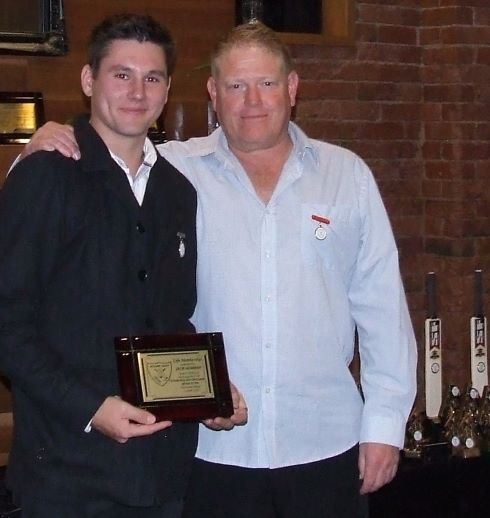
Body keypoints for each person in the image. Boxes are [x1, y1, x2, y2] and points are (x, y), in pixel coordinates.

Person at [15, 21, 417, 518]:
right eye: (235, 85)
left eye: (267, 83)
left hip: (326, 443)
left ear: (292, 89)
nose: (252, 100)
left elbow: (381, 310)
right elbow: (102, 154)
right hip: (209, 453)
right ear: (212, 94)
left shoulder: (345, 175)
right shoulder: (176, 171)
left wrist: (384, 426)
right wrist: (38, 148)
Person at [0, 13, 246, 518]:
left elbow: (171, 320)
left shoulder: (177, 192)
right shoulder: (45, 177)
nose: (138, 91)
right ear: (89, 80)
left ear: (168, 89)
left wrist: (211, 393)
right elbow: (8, 326)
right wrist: (90, 408)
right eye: (121, 74)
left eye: (152, 77)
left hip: (161, 473)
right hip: (67, 473)